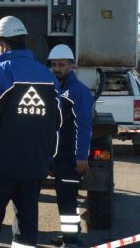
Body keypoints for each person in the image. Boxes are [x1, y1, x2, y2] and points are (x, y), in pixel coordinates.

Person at [0, 16, 62, 248]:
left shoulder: (0, 72)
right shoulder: (46, 75)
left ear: (4, 45)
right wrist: (49, 156)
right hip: (34, 165)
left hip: (0, 165)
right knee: (27, 221)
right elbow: (56, 122)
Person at [48, 44, 93, 247]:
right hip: (58, 156)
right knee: (64, 197)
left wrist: (81, 156)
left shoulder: (78, 92)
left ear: (71, 66)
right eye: (54, 65)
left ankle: (72, 241)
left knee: (68, 198)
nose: (56, 68)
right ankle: (70, 235)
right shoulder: (56, 88)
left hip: (71, 157)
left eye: (61, 65)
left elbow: (84, 127)